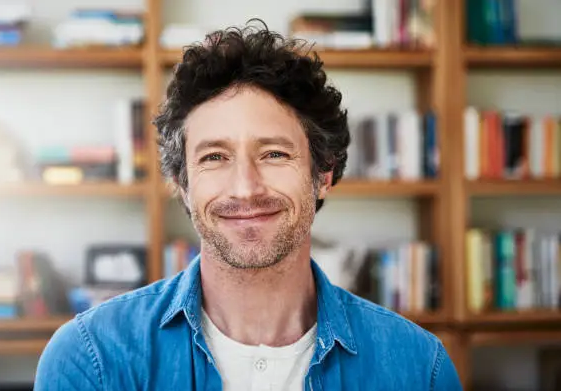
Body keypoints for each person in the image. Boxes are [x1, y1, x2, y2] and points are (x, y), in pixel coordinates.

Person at [34, 21, 462, 391]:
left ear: (323, 174)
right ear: (183, 185)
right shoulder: (92, 360)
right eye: (214, 157)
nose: (245, 188)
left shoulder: (419, 367)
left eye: (274, 154)